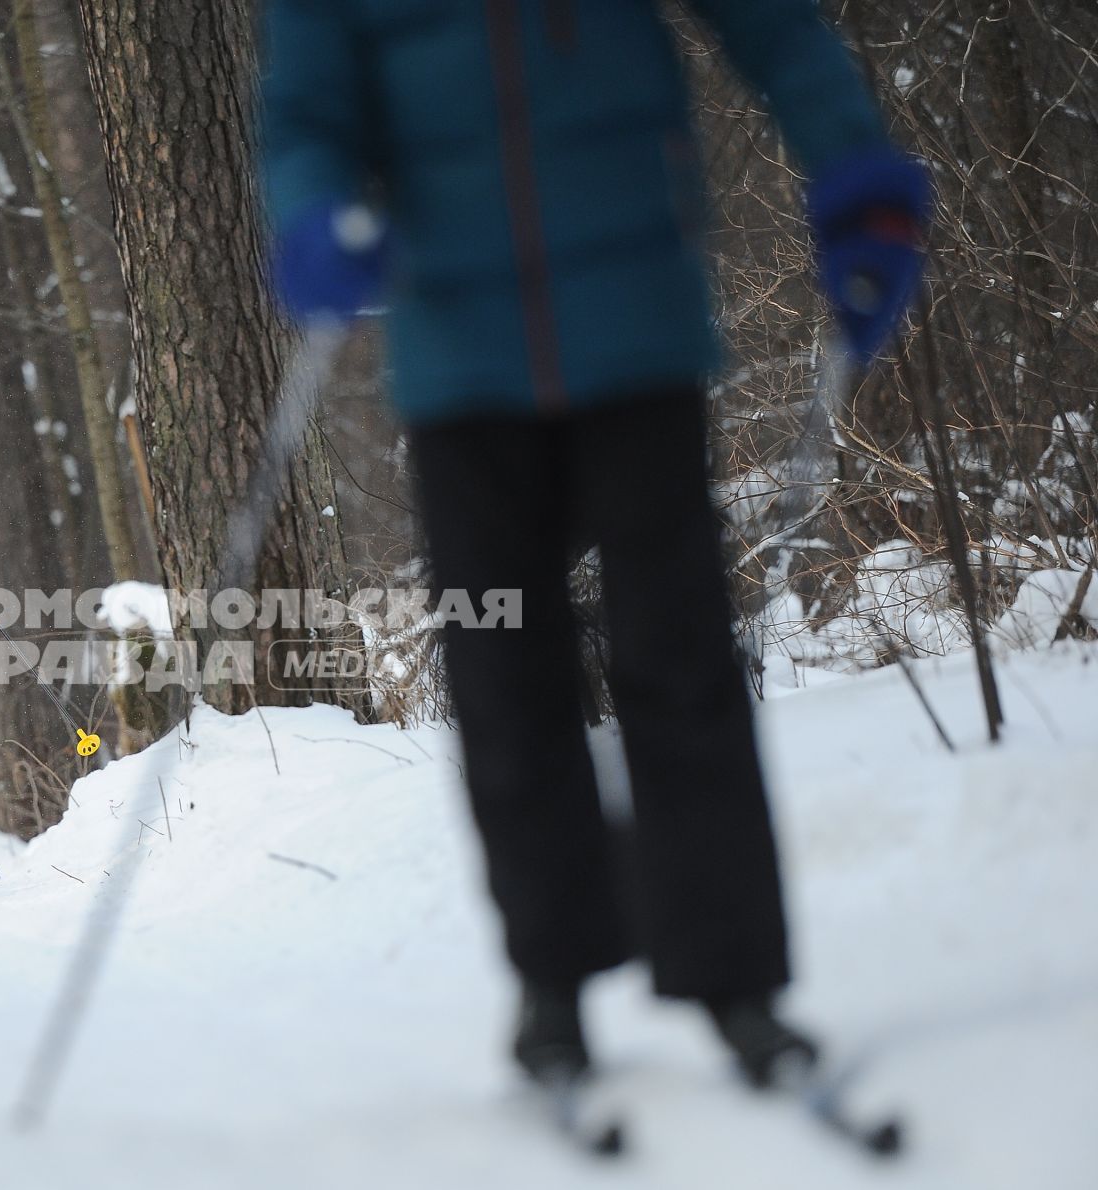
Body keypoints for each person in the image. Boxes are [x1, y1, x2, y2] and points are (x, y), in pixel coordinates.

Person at [261, 0, 929, 1085]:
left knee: (681, 655)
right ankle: (554, 981)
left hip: (637, 323)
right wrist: (313, 209)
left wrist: (857, 173)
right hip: (459, 352)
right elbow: (304, 107)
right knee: (506, 673)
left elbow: (777, 29)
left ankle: (737, 978)